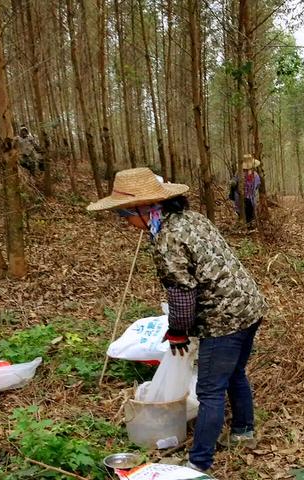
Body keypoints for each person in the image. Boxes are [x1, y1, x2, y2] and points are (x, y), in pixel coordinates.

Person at [88, 168, 267, 473]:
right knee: (235, 372)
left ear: (145, 210)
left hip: (223, 318)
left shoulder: (167, 238)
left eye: (125, 215)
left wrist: (178, 332)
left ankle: (198, 463)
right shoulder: (191, 218)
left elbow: (182, 292)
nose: (127, 223)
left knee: (210, 391)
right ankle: (243, 432)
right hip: (249, 306)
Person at [229, 154, 261, 227]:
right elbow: (234, 182)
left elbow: (257, 186)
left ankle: (249, 225)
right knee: (242, 212)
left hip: (250, 198)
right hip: (240, 197)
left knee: (250, 213)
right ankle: (244, 224)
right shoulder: (239, 173)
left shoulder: (255, 175)